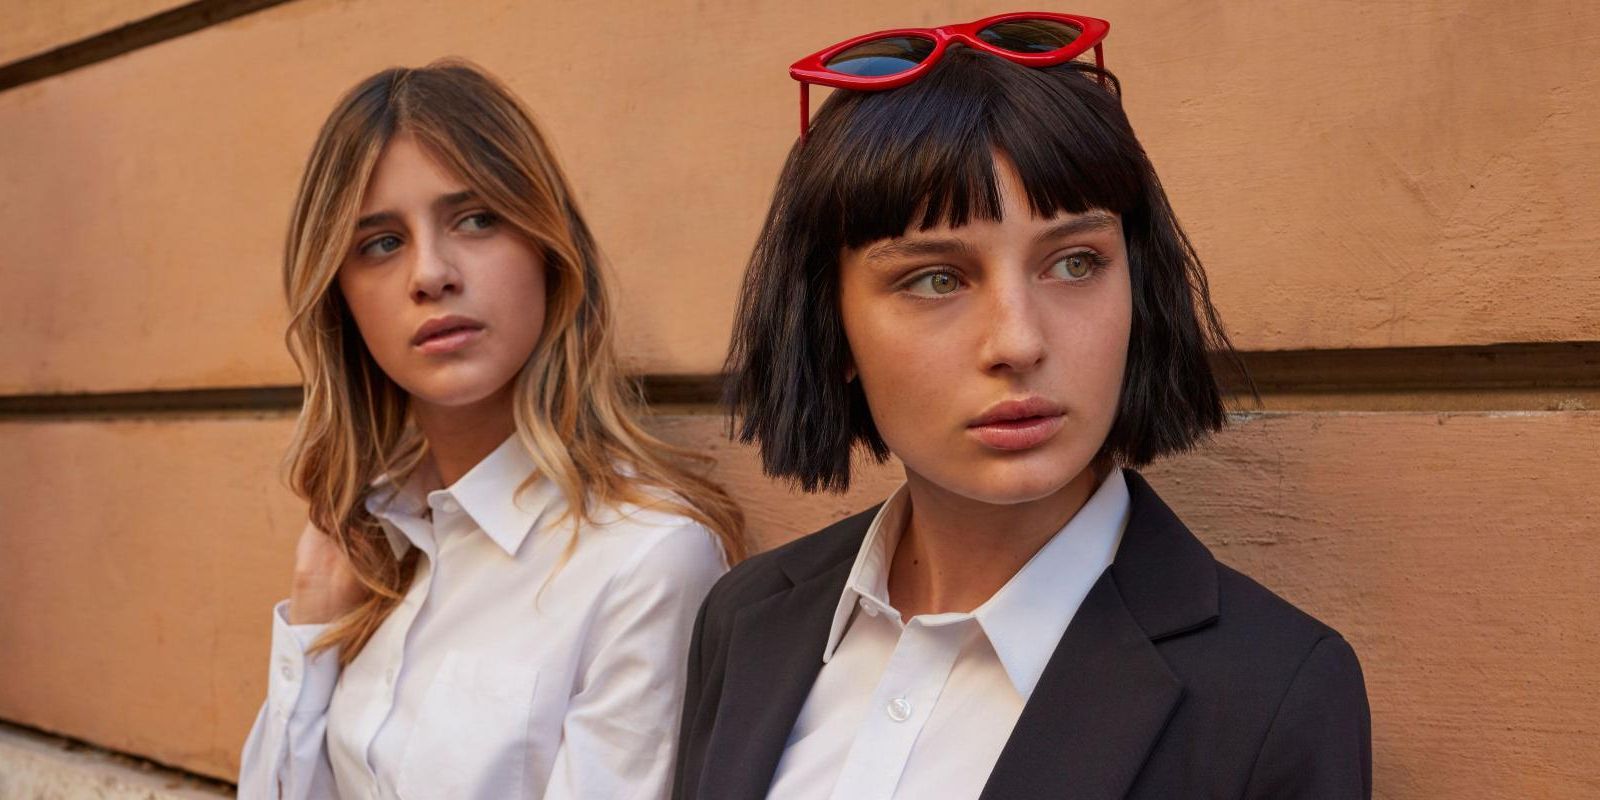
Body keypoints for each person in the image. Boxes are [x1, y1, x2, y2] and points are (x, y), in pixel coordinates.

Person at [675, 13, 1369, 799]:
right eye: (936, 278)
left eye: (1075, 263)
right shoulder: (746, 619)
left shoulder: (1272, 692)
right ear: (829, 325)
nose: (1017, 341)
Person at [239, 59, 744, 799]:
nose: (431, 273)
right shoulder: (370, 549)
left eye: (476, 220)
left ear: (547, 249)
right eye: (380, 242)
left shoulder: (647, 562)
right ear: (340, 300)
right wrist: (314, 623)